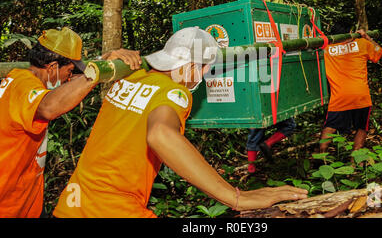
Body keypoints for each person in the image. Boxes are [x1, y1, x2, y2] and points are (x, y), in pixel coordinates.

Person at [53, 27, 308, 218]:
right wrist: (236, 197)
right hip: (112, 208)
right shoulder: (174, 93)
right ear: (189, 66)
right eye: (205, 67)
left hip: (72, 203)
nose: (206, 73)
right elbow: (160, 135)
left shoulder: (131, 75)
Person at [0, 27, 141, 218]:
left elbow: (78, 79)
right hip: (8, 205)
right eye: (69, 71)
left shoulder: (21, 77)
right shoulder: (22, 87)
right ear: (52, 67)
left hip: (26, 200)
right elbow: (49, 107)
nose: (70, 77)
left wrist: (106, 59)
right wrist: (93, 75)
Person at [319, 27, 382, 153]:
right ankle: (355, 162)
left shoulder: (325, 49)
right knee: (361, 127)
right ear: (350, 32)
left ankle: (322, 155)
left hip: (339, 96)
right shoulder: (362, 44)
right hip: (360, 95)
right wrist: (366, 37)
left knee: (330, 126)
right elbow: (379, 52)